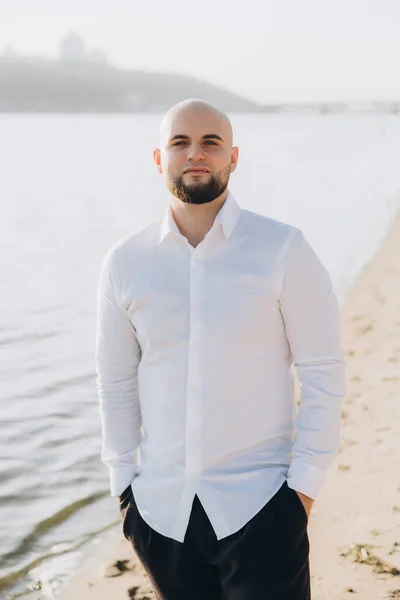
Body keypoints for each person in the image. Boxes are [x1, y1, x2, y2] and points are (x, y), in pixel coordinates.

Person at [95, 98, 346, 600]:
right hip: (161, 513)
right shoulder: (125, 261)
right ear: (158, 158)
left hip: (263, 508)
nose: (196, 154)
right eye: (180, 142)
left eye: (211, 142)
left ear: (233, 157)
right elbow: (116, 379)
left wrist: (303, 490)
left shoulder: (283, 249)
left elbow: (323, 371)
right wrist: (125, 487)